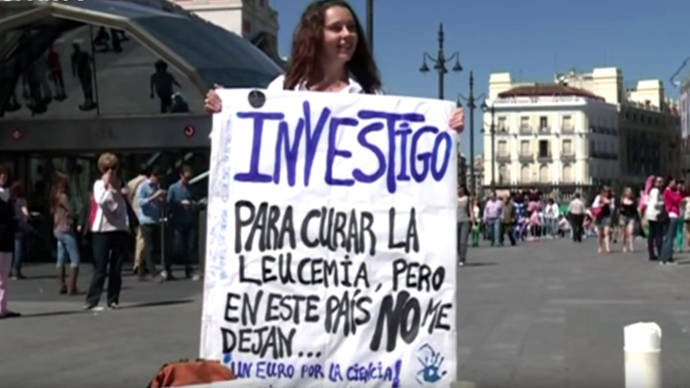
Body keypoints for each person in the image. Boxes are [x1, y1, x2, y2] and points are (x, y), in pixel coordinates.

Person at [204, 0, 465, 130]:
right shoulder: (283, 89)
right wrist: (226, 113)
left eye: (351, 28)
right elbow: (254, 139)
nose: (346, 34)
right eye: (336, 28)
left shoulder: (370, 94)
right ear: (315, 35)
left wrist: (442, 126)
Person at [84, 153, 130, 311]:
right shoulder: (98, 184)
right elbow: (102, 201)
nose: (110, 172)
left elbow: (121, 208)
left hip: (118, 229)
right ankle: (92, 300)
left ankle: (113, 299)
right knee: (100, 267)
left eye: (113, 168)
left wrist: (116, 190)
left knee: (116, 267)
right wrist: (107, 187)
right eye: (106, 168)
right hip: (101, 230)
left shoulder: (122, 185)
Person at [165, 165, 198, 281]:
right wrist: (179, 204)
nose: (187, 181)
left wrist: (192, 204)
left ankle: (188, 269)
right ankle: (168, 269)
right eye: (186, 178)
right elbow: (168, 204)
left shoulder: (191, 188)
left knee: (189, 247)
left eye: (189, 178)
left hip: (188, 220)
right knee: (176, 246)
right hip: (177, 221)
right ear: (181, 175)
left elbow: (195, 201)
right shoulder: (173, 188)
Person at [51, 172, 81, 295]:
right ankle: (72, 287)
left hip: (57, 229)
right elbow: (71, 211)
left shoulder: (54, 196)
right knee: (75, 258)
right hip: (66, 229)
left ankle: (61, 284)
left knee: (61, 257)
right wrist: (74, 214)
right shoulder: (63, 197)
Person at [136, 166, 165, 280]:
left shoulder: (157, 187)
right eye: (158, 179)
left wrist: (160, 200)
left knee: (148, 246)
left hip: (155, 219)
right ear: (152, 176)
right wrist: (154, 197)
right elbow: (141, 202)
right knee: (149, 246)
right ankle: (152, 271)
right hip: (146, 220)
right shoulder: (144, 186)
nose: (158, 182)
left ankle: (141, 270)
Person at [0, 166, 20, 318]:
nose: (3, 178)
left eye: (5, 175)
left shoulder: (8, 195)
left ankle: (2, 307)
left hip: (7, 238)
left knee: (4, 277)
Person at [127, 165, 148, 276]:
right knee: (142, 239)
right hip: (143, 213)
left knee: (139, 237)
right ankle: (139, 263)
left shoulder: (131, 182)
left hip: (133, 212)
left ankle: (140, 262)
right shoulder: (147, 183)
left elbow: (127, 196)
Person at [9, 182, 30, 280]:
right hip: (20, 227)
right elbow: (25, 213)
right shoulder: (22, 200)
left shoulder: (10, 200)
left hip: (10, 227)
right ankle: (16, 270)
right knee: (19, 250)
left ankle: (8, 270)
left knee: (10, 250)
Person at [644, 176, 665, 262]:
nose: (661, 183)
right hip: (656, 214)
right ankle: (660, 253)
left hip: (650, 213)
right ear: (655, 183)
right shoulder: (656, 191)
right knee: (658, 234)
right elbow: (655, 203)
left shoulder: (651, 191)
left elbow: (647, 202)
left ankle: (651, 254)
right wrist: (663, 202)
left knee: (651, 234)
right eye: (659, 182)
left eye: (661, 181)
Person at [660, 177, 681, 264]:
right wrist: (678, 192)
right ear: (669, 183)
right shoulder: (668, 191)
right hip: (672, 214)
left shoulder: (669, 191)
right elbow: (676, 200)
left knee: (669, 237)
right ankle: (667, 258)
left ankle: (666, 257)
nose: (675, 184)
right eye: (673, 182)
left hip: (672, 214)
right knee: (670, 237)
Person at [592, 186, 614, 254]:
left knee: (606, 232)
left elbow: (613, 208)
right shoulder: (598, 197)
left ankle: (607, 247)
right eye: (605, 192)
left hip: (607, 216)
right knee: (600, 234)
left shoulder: (611, 198)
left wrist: (610, 204)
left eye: (607, 192)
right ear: (602, 192)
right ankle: (600, 246)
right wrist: (601, 204)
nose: (606, 193)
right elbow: (594, 206)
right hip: (599, 216)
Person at [618, 187, 637, 253]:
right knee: (623, 233)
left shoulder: (634, 200)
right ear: (625, 192)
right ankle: (624, 246)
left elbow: (635, 210)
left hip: (631, 217)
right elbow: (618, 209)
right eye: (628, 191)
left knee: (631, 232)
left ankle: (631, 246)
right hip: (623, 217)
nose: (629, 193)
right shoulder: (622, 200)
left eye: (630, 191)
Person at [456, 185, 471, 267]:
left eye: (460, 188)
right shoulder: (453, 198)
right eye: (457, 188)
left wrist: (472, 219)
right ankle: (459, 255)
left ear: (463, 189)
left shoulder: (467, 198)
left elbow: (470, 209)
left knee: (463, 241)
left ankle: (462, 258)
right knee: (457, 242)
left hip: (465, 221)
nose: (458, 190)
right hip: (455, 221)